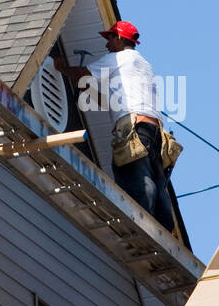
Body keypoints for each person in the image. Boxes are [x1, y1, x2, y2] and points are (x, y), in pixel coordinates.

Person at [54, 21, 175, 231]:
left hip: (135, 128)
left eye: (110, 38)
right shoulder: (143, 64)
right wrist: (89, 92)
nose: (107, 43)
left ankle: (141, 225)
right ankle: (165, 228)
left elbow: (83, 73)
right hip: (155, 133)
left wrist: (62, 67)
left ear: (120, 38)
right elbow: (115, 102)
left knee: (134, 175)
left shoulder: (119, 57)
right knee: (156, 179)